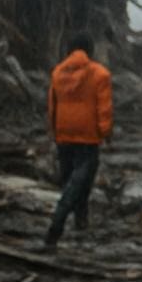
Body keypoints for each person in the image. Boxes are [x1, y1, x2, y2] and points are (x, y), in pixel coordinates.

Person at [44, 32, 113, 249]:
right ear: (90, 50)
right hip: (87, 136)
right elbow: (104, 108)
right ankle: (57, 224)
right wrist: (105, 132)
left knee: (70, 179)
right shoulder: (99, 74)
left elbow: (52, 107)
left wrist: (54, 131)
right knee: (80, 181)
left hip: (64, 134)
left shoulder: (57, 73)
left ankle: (81, 220)